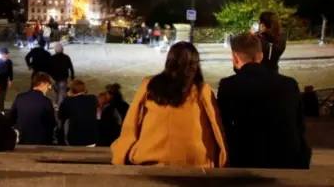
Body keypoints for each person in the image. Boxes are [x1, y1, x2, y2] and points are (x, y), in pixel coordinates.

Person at [112, 42, 227, 167]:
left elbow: (132, 122)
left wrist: (121, 154)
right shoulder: (202, 90)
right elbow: (216, 126)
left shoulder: (149, 85)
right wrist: (222, 158)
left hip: (150, 156)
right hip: (195, 161)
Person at [217, 32, 311, 169]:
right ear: (261, 56)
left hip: (246, 160)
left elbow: (223, 127)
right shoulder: (289, 84)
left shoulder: (228, 86)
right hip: (289, 160)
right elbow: (300, 126)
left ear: (235, 57)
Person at [10, 72, 56, 145]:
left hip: (20, 139)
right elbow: (51, 123)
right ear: (42, 84)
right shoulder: (46, 101)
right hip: (39, 141)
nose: (49, 88)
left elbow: (11, 117)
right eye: (48, 85)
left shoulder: (20, 97)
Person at [58, 79, 98, 146]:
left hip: (74, 140)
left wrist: (68, 97)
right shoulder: (93, 99)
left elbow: (61, 116)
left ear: (71, 90)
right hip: (92, 139)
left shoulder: (68, 101)